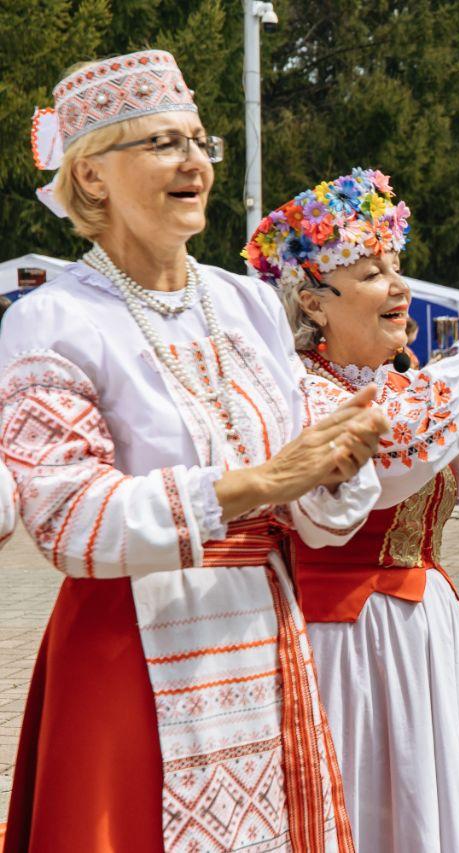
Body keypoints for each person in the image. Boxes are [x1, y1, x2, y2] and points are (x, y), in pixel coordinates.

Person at [2, 50, 391, 852]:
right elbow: (66, 516)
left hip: (264, 627)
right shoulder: (56, 319)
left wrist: (334, 466)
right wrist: (259, 481)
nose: (193, 162)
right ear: (92, 177)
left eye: (197, 141)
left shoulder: (244, 300)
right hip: (130, 650)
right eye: (159, 143)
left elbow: (315, 509)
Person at [247, 169, 459, 851]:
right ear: (314, 303)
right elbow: (389, 452)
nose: (398, 287)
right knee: (364, 810)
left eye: (396, 268)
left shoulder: (416, 388)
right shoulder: (297, 392)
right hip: (341, 641)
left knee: (432, 809)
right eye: (370, 273)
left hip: (425, 631)